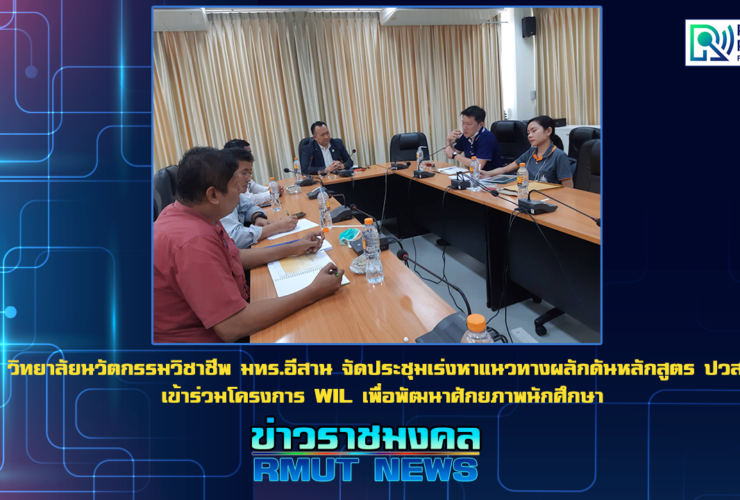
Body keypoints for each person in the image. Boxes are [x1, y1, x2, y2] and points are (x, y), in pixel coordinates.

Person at [154, 147, 345, 343]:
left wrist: (295, 246)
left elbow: (234, 255)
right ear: (213, 195)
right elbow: (232, 326)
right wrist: (314, 291)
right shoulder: (193, 241)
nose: (241, 191)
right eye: (235, 186)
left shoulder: (192, 213)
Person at [219, 147, 298, 248]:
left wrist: (258, 217)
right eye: (244, 173)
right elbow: (234, 238)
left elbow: (249, 206)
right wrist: (277, 227)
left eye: (249, 173)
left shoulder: (236, 193)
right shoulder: (220, 198)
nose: (248, 179)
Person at [481, 115, 573, 187]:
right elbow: (505, 169)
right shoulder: (531, 152)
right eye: (528, 133)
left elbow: (568, 189)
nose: (529, 135)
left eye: (534, 131)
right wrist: (488, 173)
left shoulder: (559, 156)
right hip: (528, 195)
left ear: (548, 131)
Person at [223, 138, 282, 204]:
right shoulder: (228, 181)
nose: (252, 157)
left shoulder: (243, 175)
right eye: (248, 153)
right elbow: (248, 200)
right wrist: (271, 193)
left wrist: (271, 189)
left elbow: (253, 187)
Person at [444, 106, 503, 171]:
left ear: (480, 125)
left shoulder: (487, 137)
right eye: (463, 123)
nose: (464, 127)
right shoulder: (465, 136)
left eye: (469, 124)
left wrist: (454, 155)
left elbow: (478, 166)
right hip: (473, 174)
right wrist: (448, 140)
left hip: (492, 175)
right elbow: (450, 155)